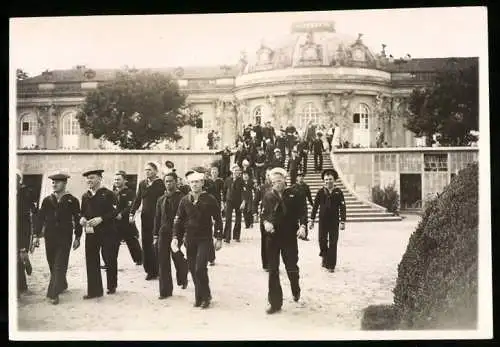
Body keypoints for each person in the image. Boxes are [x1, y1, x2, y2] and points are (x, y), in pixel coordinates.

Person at [172, 169, 224, 309]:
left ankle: (205, 297)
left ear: (202, 183)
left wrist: (219, 237)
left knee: (200, 268)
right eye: (192, 182)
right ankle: (199, 296)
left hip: (204, 239)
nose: (194, 184)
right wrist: (175, 237)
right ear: (189, 184)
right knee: (193, 268)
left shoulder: (210, 199)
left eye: (197, 182)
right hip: (190, 239)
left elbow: (218, 219)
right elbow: (178, 220)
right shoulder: (184, 200)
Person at [261, 167, 307, 314]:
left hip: (289, 237)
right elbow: (264, 214)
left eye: (279, 181)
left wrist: (303, 226)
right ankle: (275, 303)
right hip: (272, 237)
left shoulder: (296, 194)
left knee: (291, 267)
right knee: (273, 270)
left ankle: (295, 288)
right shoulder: (268, 196)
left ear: (285, 179)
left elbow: (303, 212)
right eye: (274, 182)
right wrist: (265, 223)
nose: (277, 184)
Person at [37, 172, 82, 304]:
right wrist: (35, 235)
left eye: (57, 182)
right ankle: (62, 283)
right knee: (52, 263)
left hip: (65, 236)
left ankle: (53, 293)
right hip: (49, 237)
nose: (54, 184)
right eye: (53, 182)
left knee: (59, 264)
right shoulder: (47, 200)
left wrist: (78, 236)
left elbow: (78, 219)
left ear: (65, 183)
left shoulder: (72, 200)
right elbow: (40, 218)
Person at [80, 169, 119, 299]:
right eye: (87, 178)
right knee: (91, 259)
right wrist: (83, 218)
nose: (89, 180)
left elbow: (115, 212)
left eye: (92, 178)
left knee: (109, 258)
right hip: (91, 232)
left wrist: (101, 218)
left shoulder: (108, 194)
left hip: (108, 231)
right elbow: (83, 212)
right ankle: (94, 290)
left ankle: (111, 285)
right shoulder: (85, 196)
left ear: (99, 179)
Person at [153, 172, 189, 299]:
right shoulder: (160, 199)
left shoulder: (183, 198)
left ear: (176, 182)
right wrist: (155, 236)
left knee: (177, 257)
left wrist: (185, 235)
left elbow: (186, 218)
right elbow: (157, 218)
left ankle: (183, 274)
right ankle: (165, 291)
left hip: (177, 233)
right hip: (163, 233)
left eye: (171, 181)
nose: (168, 183)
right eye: (166, 181)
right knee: (162, 261)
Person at [130, 162, 166, 280]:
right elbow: (137, 199)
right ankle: (149, 270)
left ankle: (159, 270)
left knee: (156, 243)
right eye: (146, 170)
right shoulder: (142, 184)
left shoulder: (161, 183)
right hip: (145, 217)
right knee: (146, 243)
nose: (147, 172)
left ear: (155, 171)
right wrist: (132, 212)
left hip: (157, 218)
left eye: (150, 170)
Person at [310, 169, 346, 272]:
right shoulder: (321, 192)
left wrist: (343, 221)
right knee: (322, 241)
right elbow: (315, 206)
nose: (328, 181)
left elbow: (343, 207)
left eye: (330, 179)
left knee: (333, 242)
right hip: (323, 221)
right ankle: (324, 257)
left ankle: (331, 265)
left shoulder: (338, 192)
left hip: (334, 221)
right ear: (323, 181)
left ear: (334, 180)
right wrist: (312, 220)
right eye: (326, 180)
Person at [113, 171, 142, 266]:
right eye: (115, 179)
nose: (116, 181)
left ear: (125, 180)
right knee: (112, 243)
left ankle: (140, 259)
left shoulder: (129, 192)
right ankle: (110, 261)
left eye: (118, 179)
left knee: (132, 242)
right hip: (115, 222)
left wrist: (122, 214)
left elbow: (131, 206)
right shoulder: (112, 193)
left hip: (126, 222)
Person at [16, 169, 38, 294]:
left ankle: (20, 286)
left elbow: (33, 214)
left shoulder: (25, 193)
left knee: (18, 254)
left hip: (21, 225)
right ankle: (21, 285)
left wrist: (25, 245)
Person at [222, 165, 246, 243]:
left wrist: (243, 202)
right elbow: (224, 191)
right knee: (228, 218)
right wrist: (224, 201)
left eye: (238, 170)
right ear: (232, 171)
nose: (236, 172)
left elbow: (243, 192)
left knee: (238, 219)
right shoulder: (228, 180)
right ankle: (227, 237)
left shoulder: (241, 181)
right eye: (235, 170)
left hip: (238, 201)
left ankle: (236, 236)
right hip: (229, 201)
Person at [258, 168, 273, 271]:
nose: (269, 177)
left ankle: (273, 263)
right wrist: (254, 212)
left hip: (276, 218)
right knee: (265, 241)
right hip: (264, 217)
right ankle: (266, 264)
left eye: (270, 175)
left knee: (274, 241)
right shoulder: (262, 188)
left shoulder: (278, 187)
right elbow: (255, 201)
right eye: (267, 175)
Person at [294, 172, 313, 241]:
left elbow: (309, 197)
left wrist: (312, 205)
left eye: (302, 176)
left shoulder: (306, 186)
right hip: (295, 207)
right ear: (296, 178)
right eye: (299, 176)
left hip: (303, 206)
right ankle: (295, 234)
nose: (301, 177)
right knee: (295, 221)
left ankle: (304, 236)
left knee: (304, 220)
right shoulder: (293, 187)